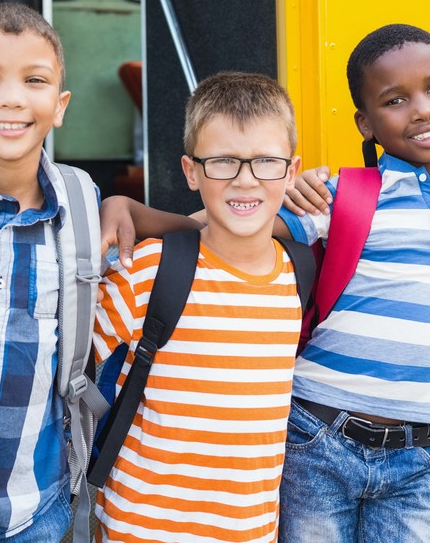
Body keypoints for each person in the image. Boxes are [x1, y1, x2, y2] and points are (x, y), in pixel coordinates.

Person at [99, 24, 430, 542]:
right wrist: (130, 209)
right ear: (366, 123)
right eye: (395, 100)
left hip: (418, 452)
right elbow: (233, 221)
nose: (422, 109)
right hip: (319, 434)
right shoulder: (340, 196)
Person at [92, 72, 305, 542]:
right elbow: (61, 369)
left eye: (266, 161)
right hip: (140, 529)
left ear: (291, 171)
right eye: (223, 161)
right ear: (191, 171)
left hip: (250, 532)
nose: (245, 180)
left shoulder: (300, 276)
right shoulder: (147, 269)